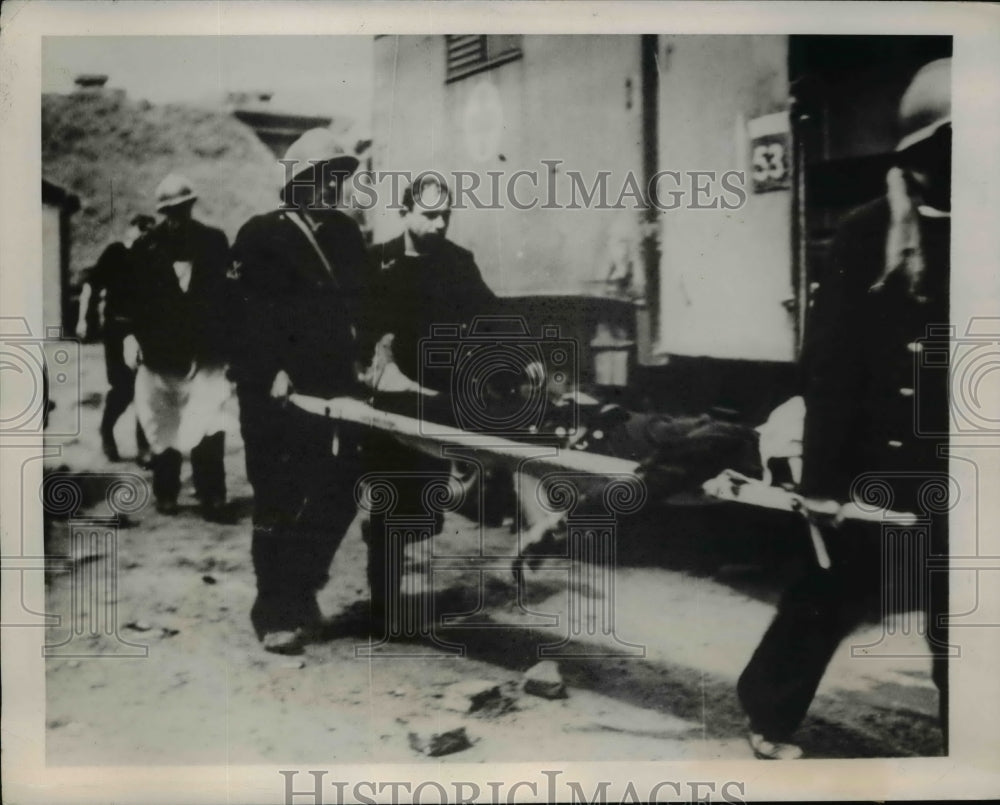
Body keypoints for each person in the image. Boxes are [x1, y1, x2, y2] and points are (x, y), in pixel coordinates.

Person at [736, 58, 952, 759]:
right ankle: (767, 713)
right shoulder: (868, 234)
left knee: (962, 615)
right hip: (875, 454)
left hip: (959, 454)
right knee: (833, 588)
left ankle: (969, 746)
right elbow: (829, 367)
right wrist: (823, 483)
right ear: (924, 155)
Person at [229, 129, 368, 654]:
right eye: (324, 177)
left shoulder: (347, 235)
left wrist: (372, 355)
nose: (333, 188)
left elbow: (363, 307)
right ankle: (272, 611)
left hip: (336, 388)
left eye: (339, 178)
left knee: (340, 485)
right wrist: (272, 370)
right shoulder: (260, 235)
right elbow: (243, 315)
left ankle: (304, 584)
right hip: (273, 389)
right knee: (278, 496)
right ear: (299, 180)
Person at [361, 174, 499, 631]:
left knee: (422, 511)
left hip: (439, 403)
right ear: (405, 213)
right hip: (391, 403)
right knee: (388, 507)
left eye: (446, 215)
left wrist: (520, 359)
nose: (440, 224)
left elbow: (489, 317)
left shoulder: (458, 262)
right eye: (429, 215)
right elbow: (354, 327)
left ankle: (397, 598)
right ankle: (383, 608)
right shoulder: (377, 260)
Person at [123, 174, 232, 520]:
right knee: (161, 424)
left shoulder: (213, 243)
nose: (176, 217)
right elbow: (131, 300)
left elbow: (228, 298)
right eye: (169, 211)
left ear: (191, 207)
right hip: (160, 352)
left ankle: (212, 493)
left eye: (182, 209)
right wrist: (130, 336)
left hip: (206, 350)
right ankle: (166, 491)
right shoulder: (145, 248)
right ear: (160, 212)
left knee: (210, 422)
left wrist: (229, 346)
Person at [76, 213, 156, 464]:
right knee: (122, 388)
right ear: (131, 229)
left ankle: (145, 447)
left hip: (144, 329)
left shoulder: (151, 258)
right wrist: (82, 318)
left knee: (145, 387)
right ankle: (107, 430)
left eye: (150, 231)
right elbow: (91, 285)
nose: (146, 234)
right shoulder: (115, 252)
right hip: (117, 329)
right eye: (142, 229)